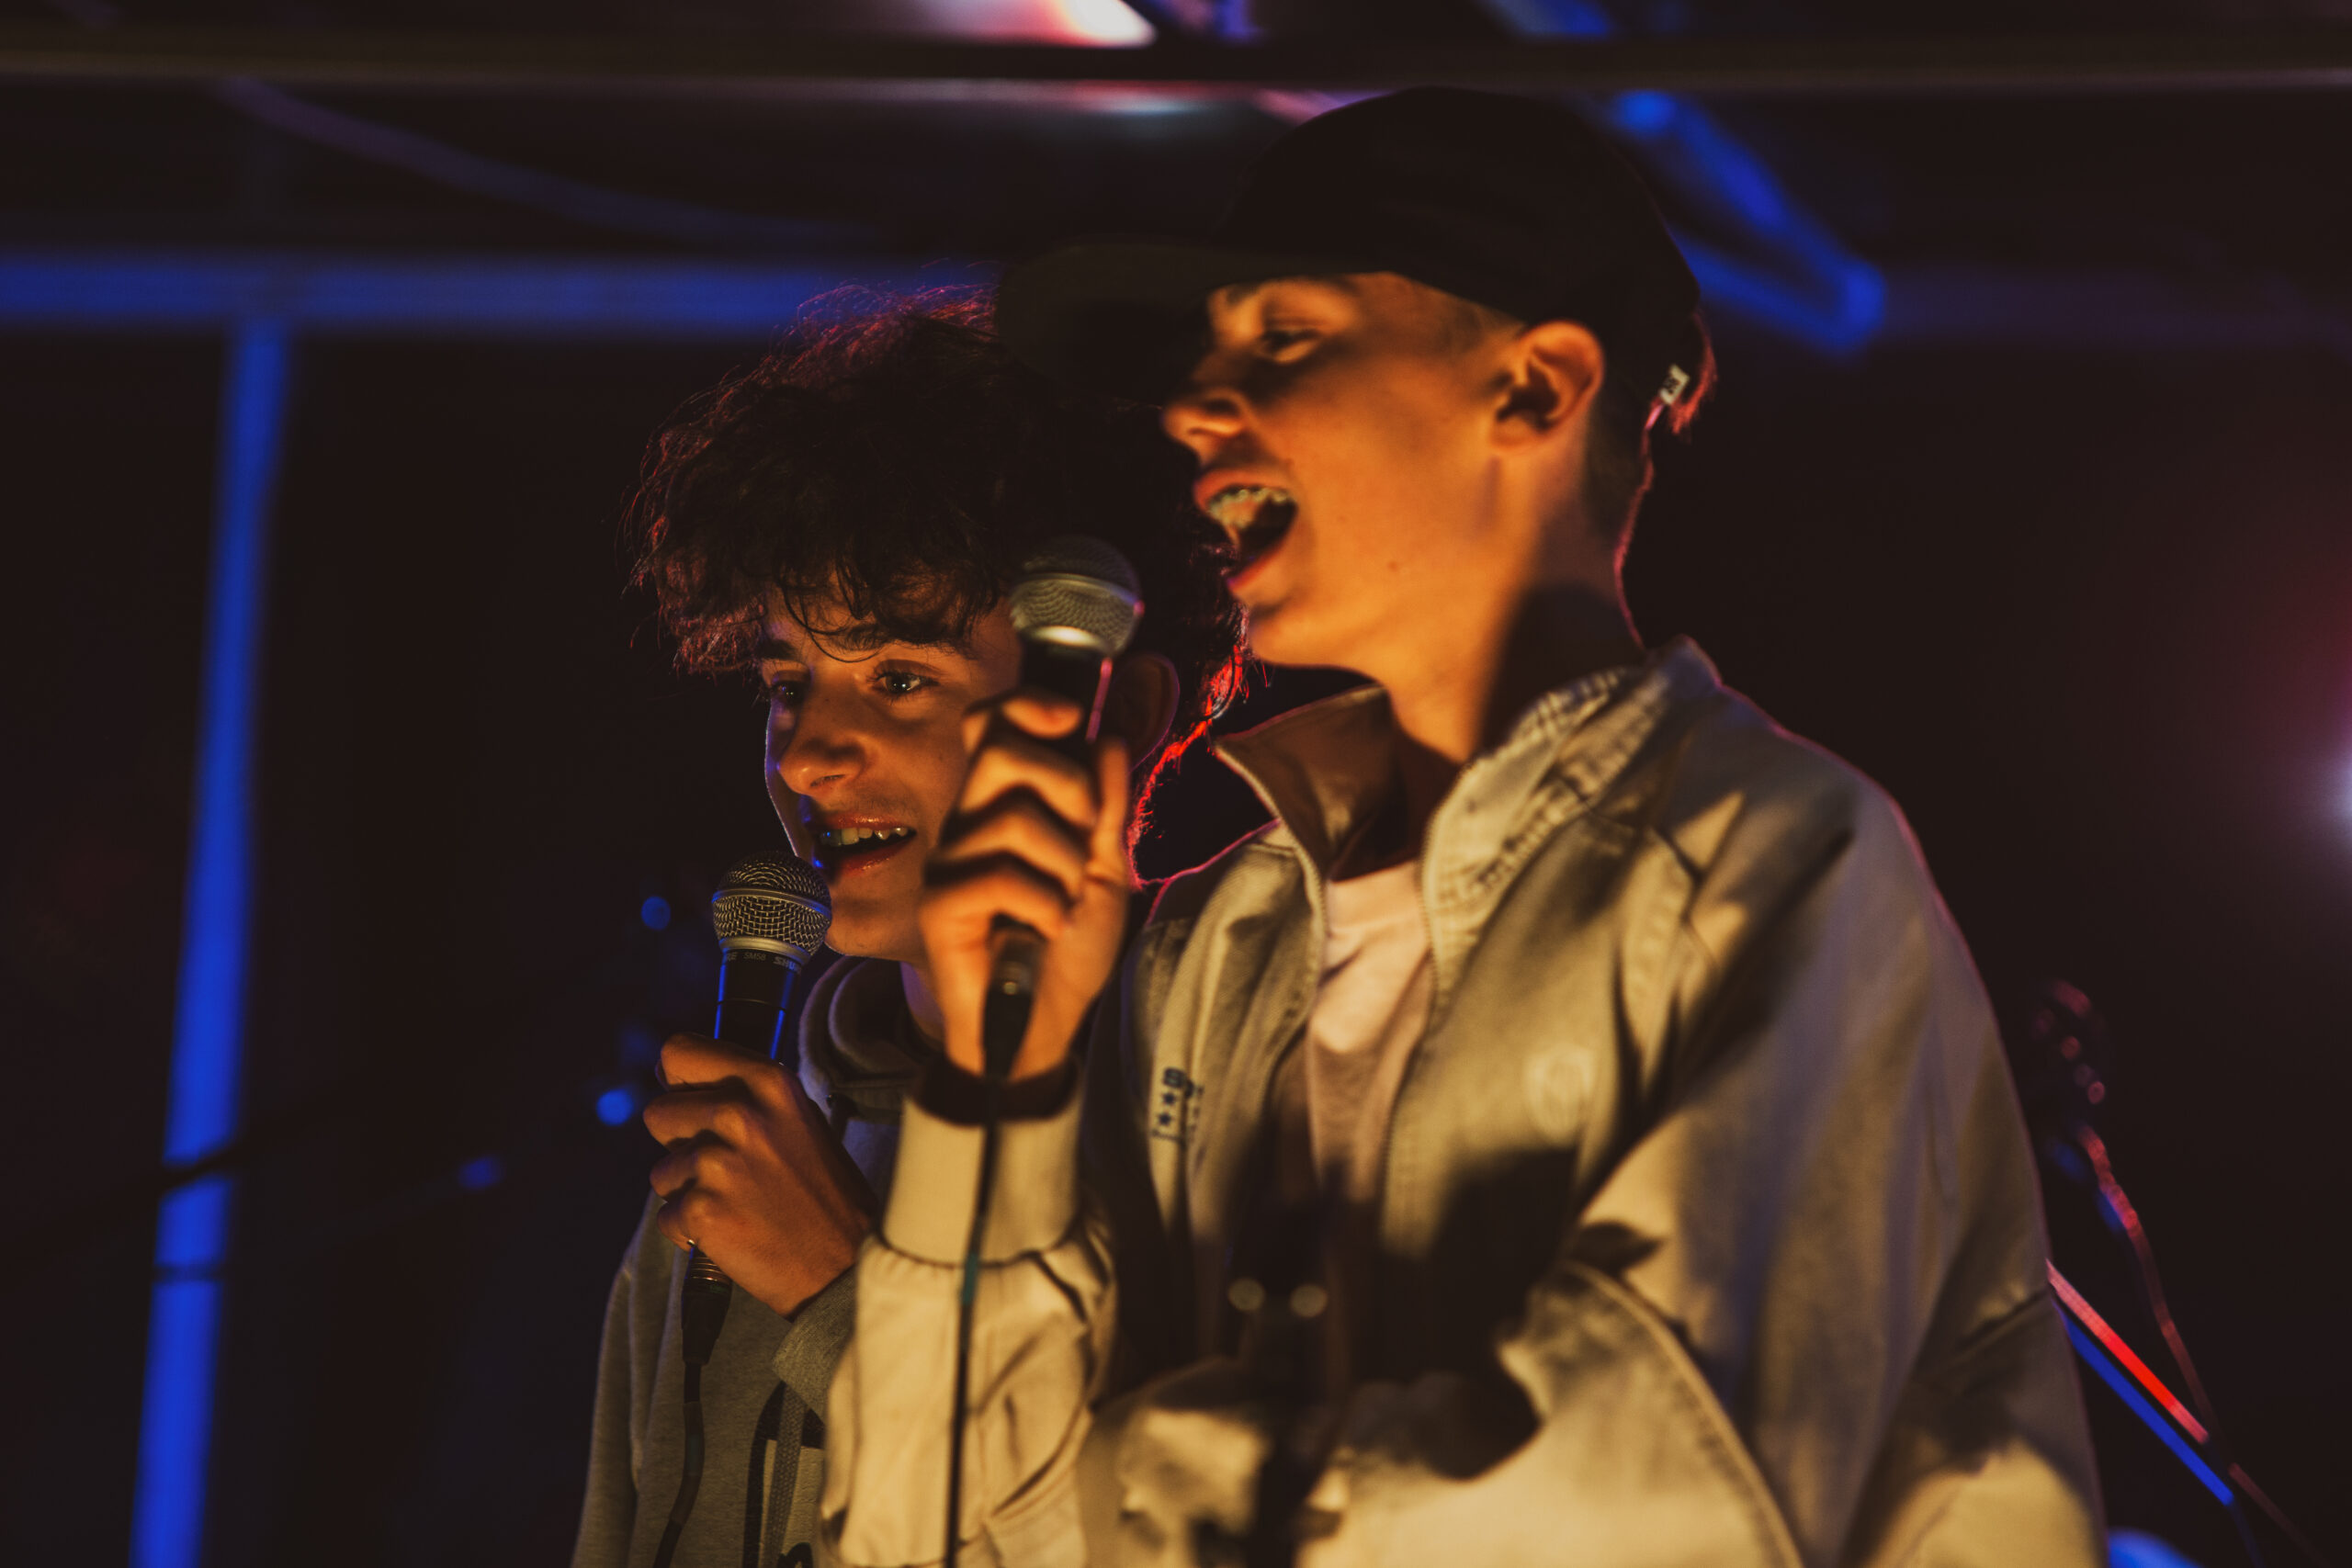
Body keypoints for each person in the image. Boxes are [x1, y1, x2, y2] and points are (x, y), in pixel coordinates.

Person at [821, 89, 2106, 1567]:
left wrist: (1133, 1480)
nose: (1188, 408)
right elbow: (932, 1538)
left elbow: (1645, 1512)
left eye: (1283, 337)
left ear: (1535, 388)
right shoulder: (1215, 945)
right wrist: (1004, 1077)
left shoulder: (1770, 862)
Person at [571, 292, 1239, 1568]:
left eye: (899, 679)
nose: (809, 756)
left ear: (1114, 711)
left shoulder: (1217, 1101)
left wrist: (842, 1295)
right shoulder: (745, 1150)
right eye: (788, 685)